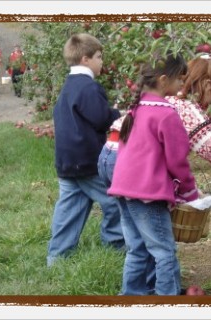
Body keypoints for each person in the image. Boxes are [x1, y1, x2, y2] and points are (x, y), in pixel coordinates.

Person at [107, 51, 199, 296]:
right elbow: (177, 161)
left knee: (136, 250)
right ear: (162, 79)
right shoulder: (166, 115)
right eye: (180, 78)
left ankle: (131, 296)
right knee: (164, 252)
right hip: (147, 194)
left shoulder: (137, 109)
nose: (182, 84)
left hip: (123, 190)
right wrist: (189, 191)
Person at [46, 33, 124, 268]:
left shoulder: (68, 87)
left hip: (67, 160)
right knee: (116, 201)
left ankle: (57, 257)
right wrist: (117, 113)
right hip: (88, 160)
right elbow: (101, 119)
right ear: (85, 59)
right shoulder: (89, 87)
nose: (102, 62)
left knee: (69, 208)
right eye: (99, 57)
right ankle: (116, 246)